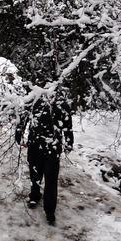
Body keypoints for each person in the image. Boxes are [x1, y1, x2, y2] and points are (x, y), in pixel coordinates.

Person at [15, 88, 73, 225]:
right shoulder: (33, 101)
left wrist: (69, 143)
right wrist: (19, 136)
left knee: (51, 179)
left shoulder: (60, 104)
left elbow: (67, 125)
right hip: (35, 145)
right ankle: (34, 196)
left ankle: (50, 209)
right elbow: (22, 120)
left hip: (53, 147)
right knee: (35, 174)